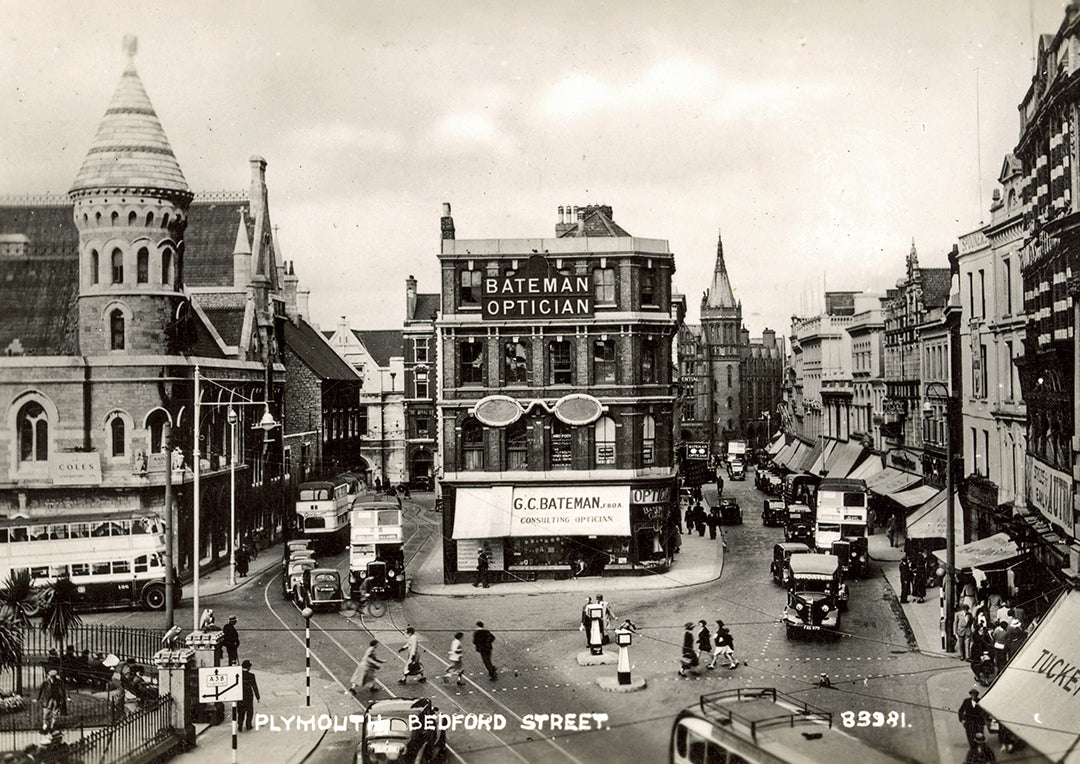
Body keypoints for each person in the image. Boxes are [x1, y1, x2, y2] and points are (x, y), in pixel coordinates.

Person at [37, 670, 66, 734]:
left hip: (56, 699)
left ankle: (52, 727)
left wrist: (63, 698)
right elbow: (41, 690)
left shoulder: (59, 682)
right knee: (46, 714)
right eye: (51, 676)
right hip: (47, 700)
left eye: (53, 676)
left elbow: (62, 690)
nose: (52, 677)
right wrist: (38, 698)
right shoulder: (46, 682)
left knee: (55, 714)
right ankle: (45, 727)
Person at [238, 660, 259, 731]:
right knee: (249, 711)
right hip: (249, 696)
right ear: (249, 667)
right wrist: (258, 697)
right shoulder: (251, 676)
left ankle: (240, 725)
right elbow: (254, 687)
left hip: (240, 695)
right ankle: (248, 725)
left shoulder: (238, 674)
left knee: (241, 712)